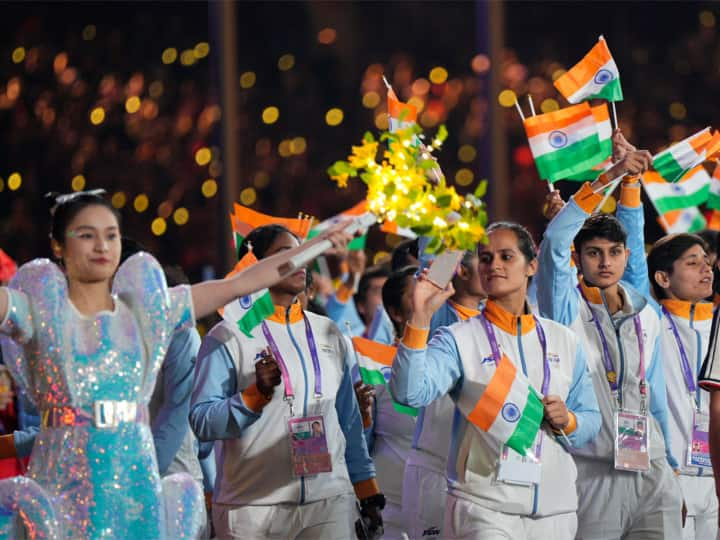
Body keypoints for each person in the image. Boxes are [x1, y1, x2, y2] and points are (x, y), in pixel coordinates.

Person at [0, 190, 351, 538]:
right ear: (58, 246)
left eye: (111, 235)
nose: (102, 246)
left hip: (134, 482)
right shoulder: (36, 309)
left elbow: (242, 283)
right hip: (63, 482)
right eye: (87, 235)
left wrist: (317, 244)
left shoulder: (149, 312)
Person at [390, 221, 600, 539]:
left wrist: (569, 421)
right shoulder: (458, 338)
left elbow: (591, 419)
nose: (494, 266)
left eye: (506, 256)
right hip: (483, 508)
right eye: (485, 258)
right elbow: (409, 393)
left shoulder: (564, 340)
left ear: (531, 266)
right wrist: (419, 319)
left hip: (556, 511)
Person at [189, 224, 383, 540]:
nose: (301, 261)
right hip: (252, 508)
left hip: (329, 500)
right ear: (256, 268)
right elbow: (202, 421)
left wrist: (366, 489)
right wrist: (254, 395)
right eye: (286, 254)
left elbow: (347, 420)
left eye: (301, 252)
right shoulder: (228, 335)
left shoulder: (329, 332)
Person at [536, 151, 683, 539]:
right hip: (593, 473)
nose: (605, 262)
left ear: (627, 256)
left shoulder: (644, 311)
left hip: (653, 472)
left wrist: (670, 464)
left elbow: (657, 399)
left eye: (614, 252)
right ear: (578, 259)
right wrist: (614, 175)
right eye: (594, 253)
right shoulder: (564, 308)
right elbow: (553, 241)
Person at [402, 250, 486, 540]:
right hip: (435, 466)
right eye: (485, 259)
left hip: (481, 471)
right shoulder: (438, 316)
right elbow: (433, 265)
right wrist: (455, 226)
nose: (494, 267)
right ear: (461, 270)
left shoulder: (499, 321)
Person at [648, 234, 717, 540]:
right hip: (673, 478)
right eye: (692, 262)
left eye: (707, 260)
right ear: (663, 277)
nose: (706, 268)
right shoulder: (649, 323)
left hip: (716, 479)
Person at [357, 265, 418, 539]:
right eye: (417, 295)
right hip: (394, 508)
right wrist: (361, 416)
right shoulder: (373, 364)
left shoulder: (454, 358)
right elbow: (361, 444)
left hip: (447, 498)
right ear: (395, 312)